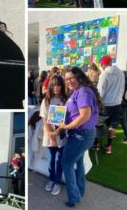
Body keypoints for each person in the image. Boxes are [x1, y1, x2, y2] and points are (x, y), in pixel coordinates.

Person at [51, 67, 100, 208]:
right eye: (66, 79)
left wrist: (66, 127)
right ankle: (80, 191)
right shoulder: (78, 91)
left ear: (79, 76)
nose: (68, 81)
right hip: (80, 134)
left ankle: (74, 197)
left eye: (71, 78)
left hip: (80, 135)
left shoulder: (83, 91)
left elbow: (85, 115)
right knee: (78, 163)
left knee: (66, 163)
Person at [40, 74, 67, 196]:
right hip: (49, 134)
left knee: (58, 160)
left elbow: (67, 119)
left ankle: (57, 182)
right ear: (50, 86)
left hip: (61, 134)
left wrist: (56, 134)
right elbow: (45, 119)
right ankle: (51, 179)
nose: (56, 88)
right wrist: (51, 135)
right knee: (51, 159)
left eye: (59, 85)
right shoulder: (46, 100)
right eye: (54, 85)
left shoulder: (65, 100)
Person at [97, 55, 125, 154]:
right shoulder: (121, 73)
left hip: (105, 106)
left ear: (103, 64)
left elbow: (100, 92)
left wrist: (98, 104)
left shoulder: (104, 74)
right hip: (117, 104)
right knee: (112, 127)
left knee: (99, 124)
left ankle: (97, 144)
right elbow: (122, 89)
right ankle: (109, 147)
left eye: (101, 65)